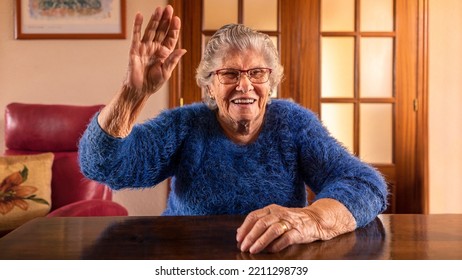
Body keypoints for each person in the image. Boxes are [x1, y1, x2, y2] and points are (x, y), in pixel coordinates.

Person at [78, 5, 388, 254]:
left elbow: (366, 184)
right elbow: (103, 166)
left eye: (257, 73)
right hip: (188, 260)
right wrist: (133, 94)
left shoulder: (293, 123)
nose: (245, 85)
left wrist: (314, 219)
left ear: (270, 83)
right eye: (229, 73)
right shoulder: (186, 124)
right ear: (210, 86)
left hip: (277, 259)